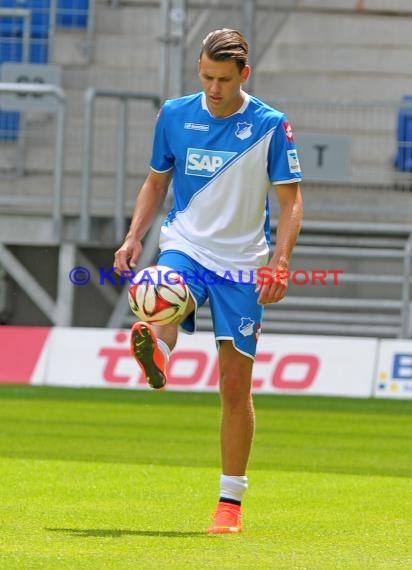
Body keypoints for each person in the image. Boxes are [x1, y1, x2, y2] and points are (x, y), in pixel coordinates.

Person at [114, 28, 303, 534]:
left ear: (244, 74)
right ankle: (159, 350)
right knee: (161, 292)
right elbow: (157, 182)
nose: (213, 88)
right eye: (205, 76)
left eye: (222, 79)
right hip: (188, 244)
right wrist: (134, 237)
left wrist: (280, 262)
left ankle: (229, 504)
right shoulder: (175, 114)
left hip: (243, 262)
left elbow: (291, 203)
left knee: (234, 387)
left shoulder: (270, 125)